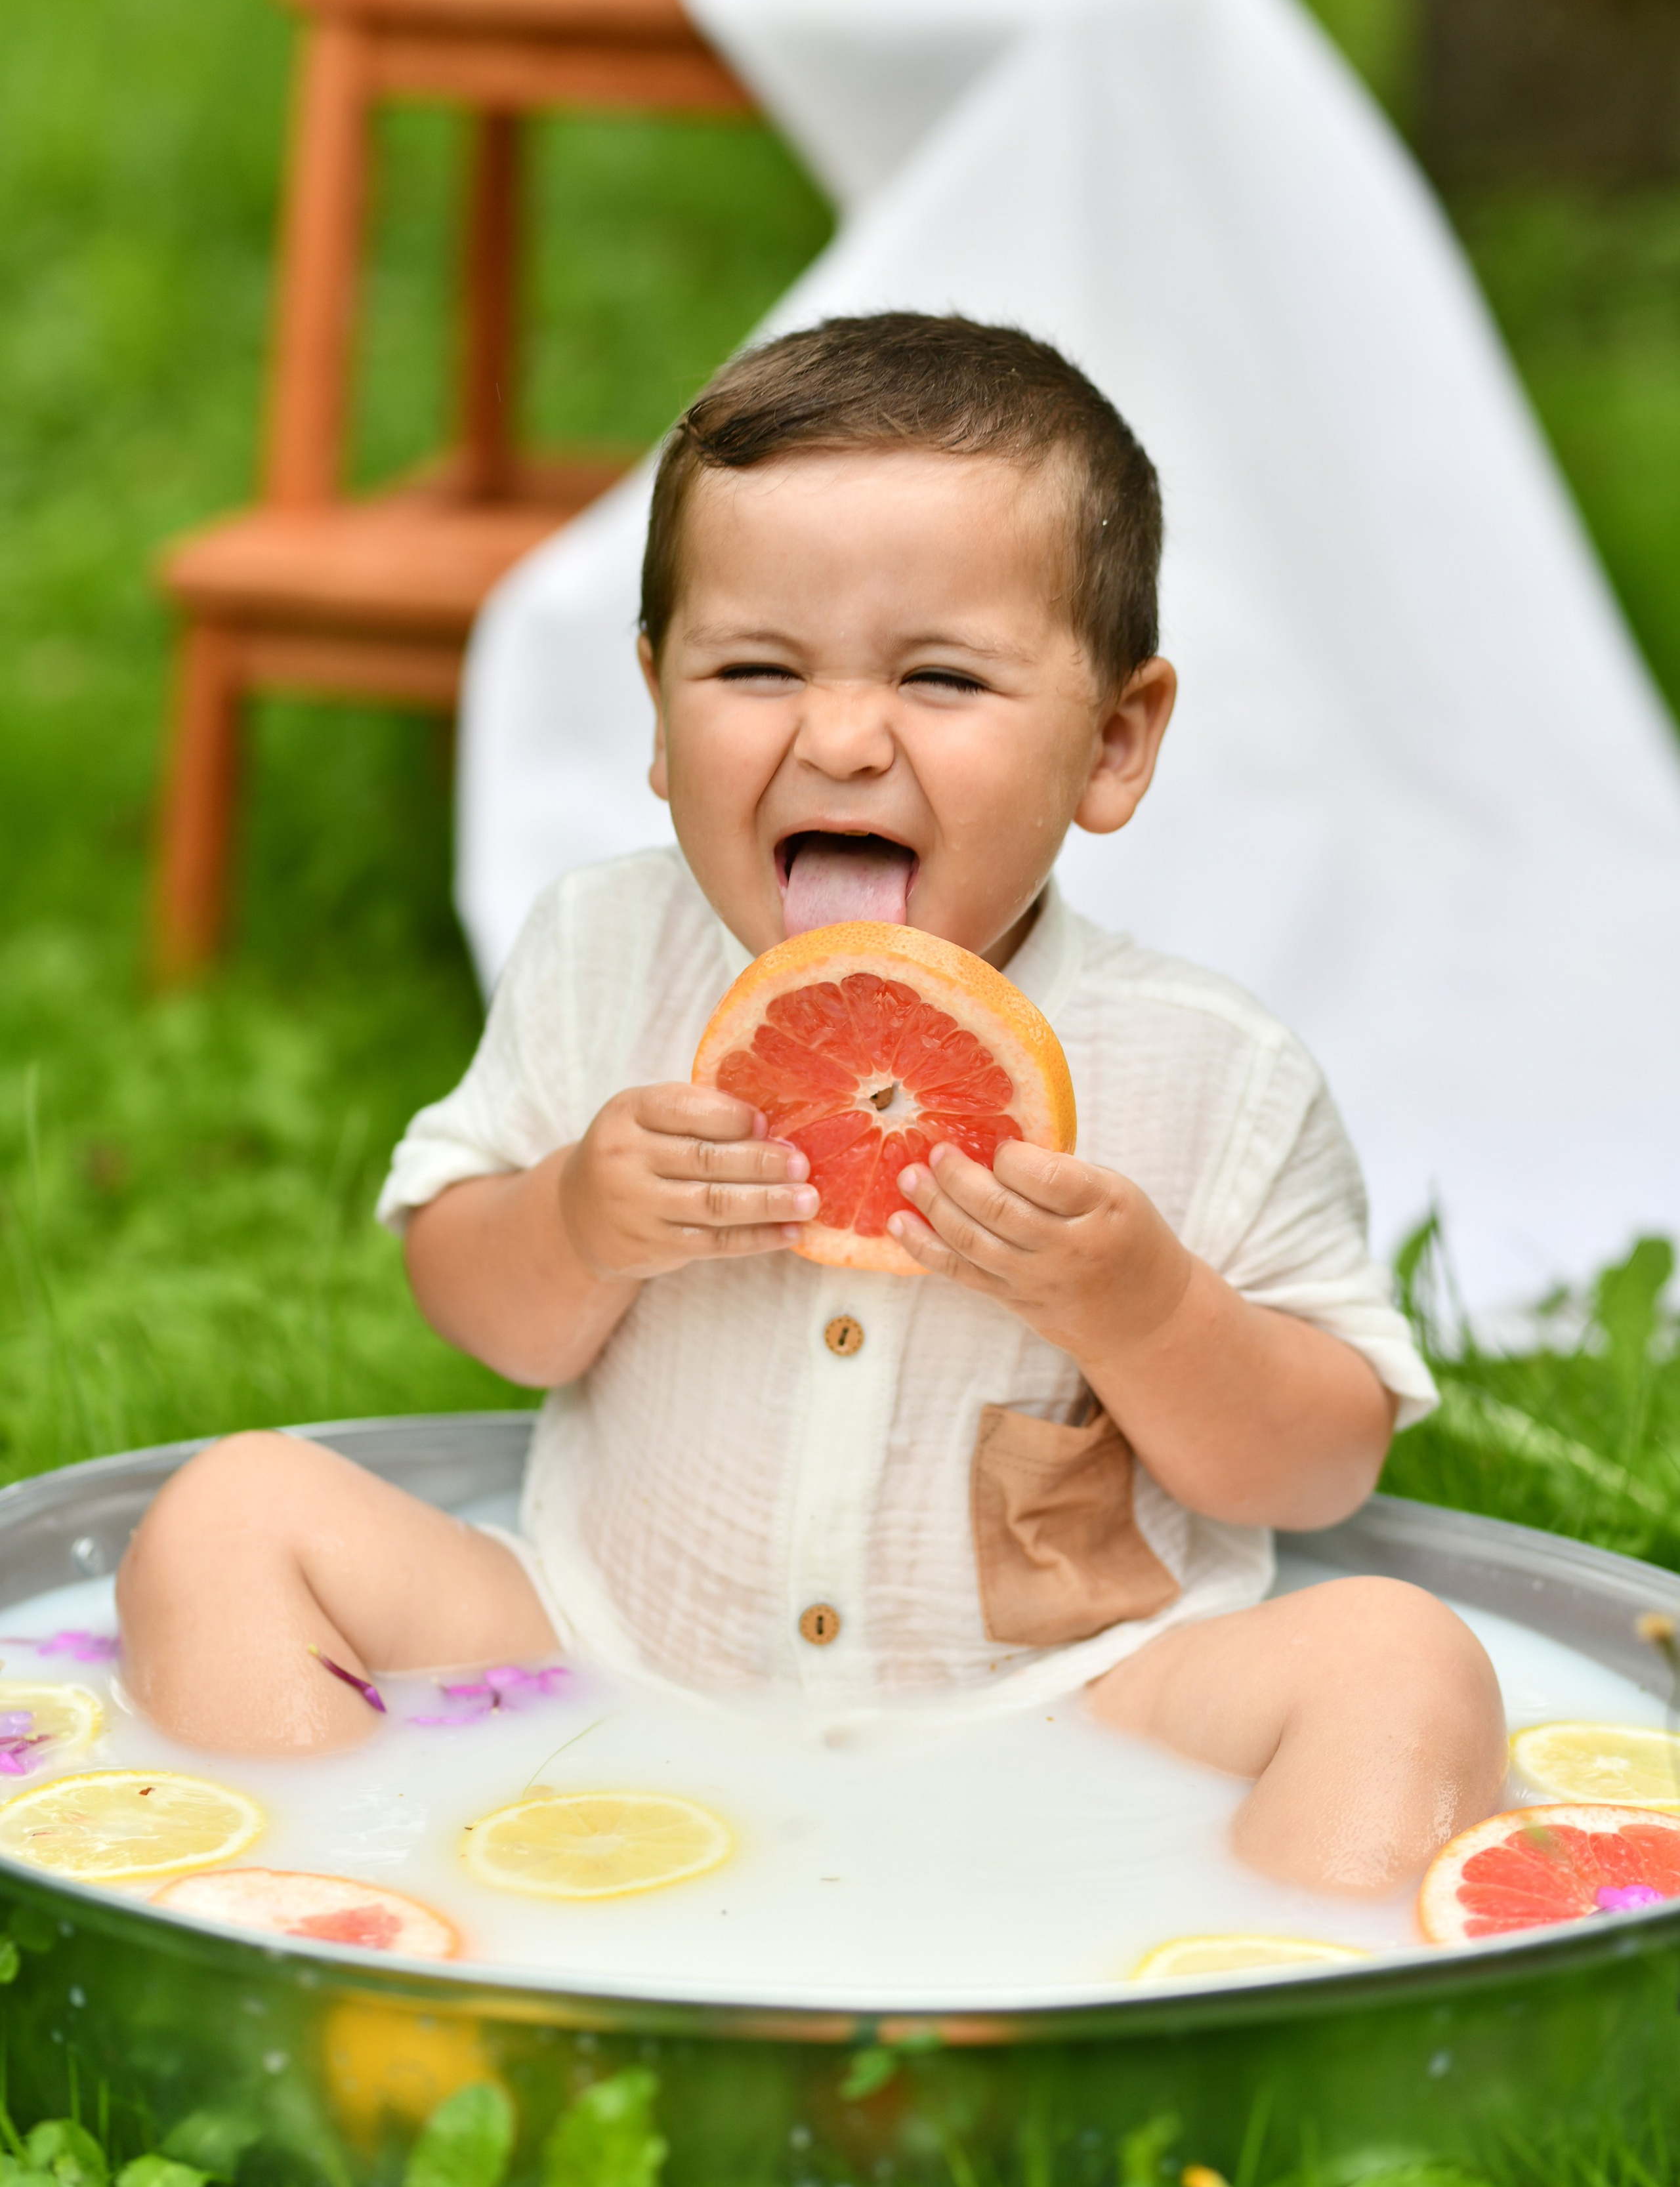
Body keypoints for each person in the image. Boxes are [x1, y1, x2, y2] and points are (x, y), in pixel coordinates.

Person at [117, 314, 1507, 1894]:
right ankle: (328, 1905)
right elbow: (477, 1299)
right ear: (655, 712)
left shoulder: (1212, 1069)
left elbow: (1316, 1470)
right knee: (230, 1511)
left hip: (1070, 1713)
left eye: (940, 676)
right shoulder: (600, 953)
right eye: (756, 668)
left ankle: (1250, 2001)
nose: (839, 738)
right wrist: (575, 1219)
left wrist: (1146, 1310)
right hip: (605, 1649)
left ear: (1112, 743)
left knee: (1400, 1661)